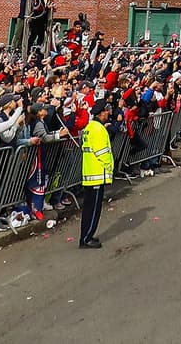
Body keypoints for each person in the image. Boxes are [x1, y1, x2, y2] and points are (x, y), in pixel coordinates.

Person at [78, 101, 114, 249]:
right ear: (101, 112)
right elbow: (102, 152)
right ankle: (86, 238)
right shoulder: (98, 129)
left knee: (88, 208)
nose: (109, 114)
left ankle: (86, 236)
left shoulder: (89, 127)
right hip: (97, 173)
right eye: (107, 111)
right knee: (93, 209)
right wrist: (110, 167)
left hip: (90, 172)